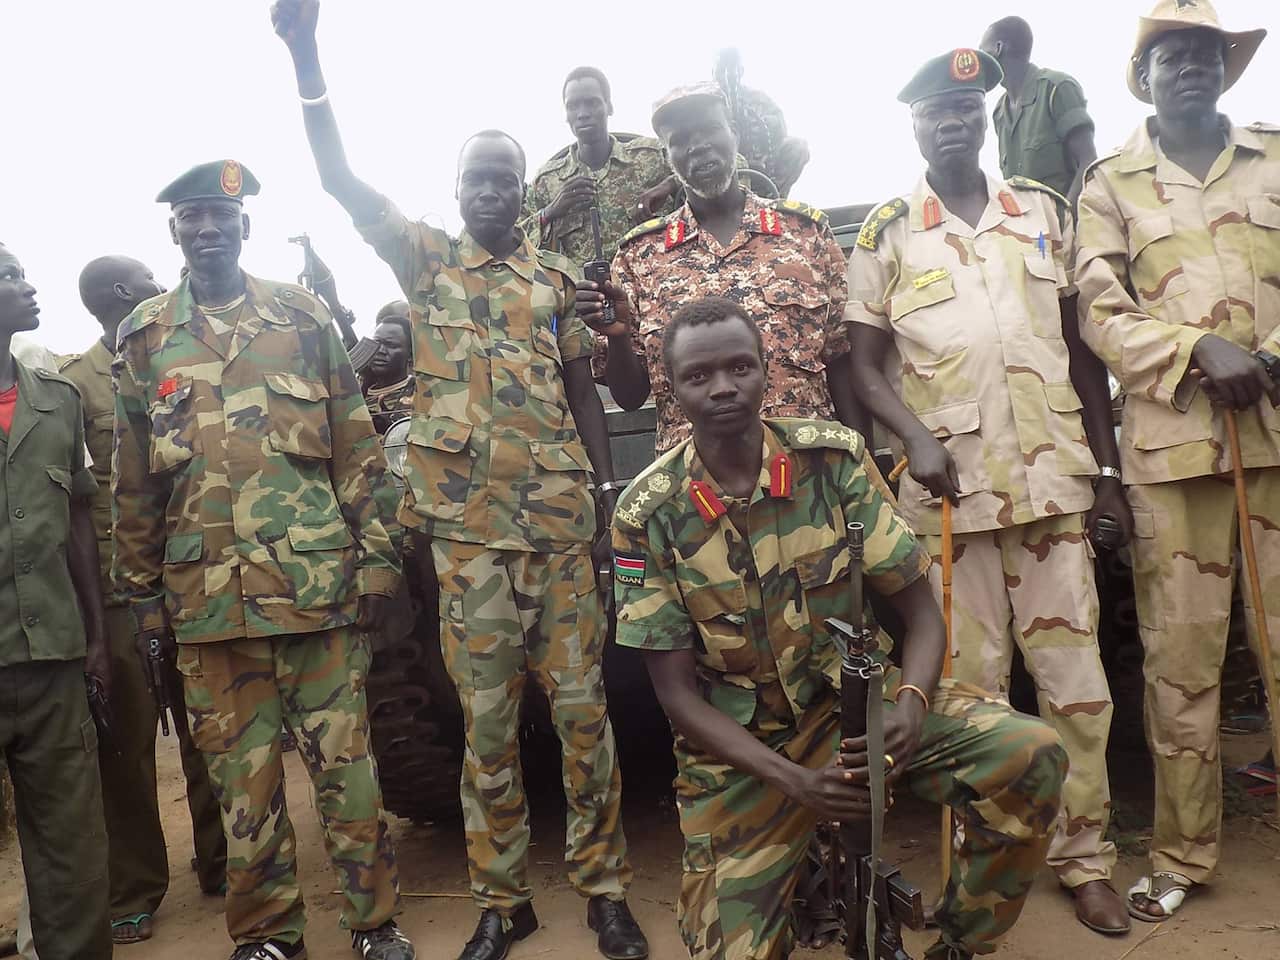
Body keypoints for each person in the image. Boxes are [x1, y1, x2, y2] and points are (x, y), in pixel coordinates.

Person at [271, 4, 649, 959]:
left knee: (582, 718)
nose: (491, 192)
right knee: (486, 727)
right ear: (456, 189)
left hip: (561, 528)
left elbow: (585, 395)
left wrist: (607, 508)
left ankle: (605, 890)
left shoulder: (556, 279)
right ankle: (503, 898)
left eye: (505, 180)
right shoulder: (425, 260)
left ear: (526, 190)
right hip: (468, 535)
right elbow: (335, 177)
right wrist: (306, 56)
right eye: (476, 179)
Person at [612, 296, 1067, 960]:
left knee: (1028, 753)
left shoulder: (833, 462)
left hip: (863, 712)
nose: (723, 389)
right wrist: (795, 782)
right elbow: (677, 697)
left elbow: (919, 615)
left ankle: (962, 945)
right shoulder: (646, 514)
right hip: (745, 753)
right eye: (699, 376)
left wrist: (910, 703)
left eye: (740, 367)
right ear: (671, 387)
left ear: (766, 369)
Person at [845, 48, 1131, 935]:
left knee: (1076, 686)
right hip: (948, 507)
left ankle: (1086, 862)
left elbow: (1084, 352)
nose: (953, 123)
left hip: (1052, 491)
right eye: (938, 112)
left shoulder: (1042, 214)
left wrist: (1110, 471)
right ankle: (978, 865)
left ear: (987, 121)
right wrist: (914, 437)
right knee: (970, 698)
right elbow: (862, 365)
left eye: (968, 110)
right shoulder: (889, 233)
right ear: (917, 127)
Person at [111, 160, 414, 960]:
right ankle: (266, 935)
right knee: (243, 791)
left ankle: (374, 923)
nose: (206, 228)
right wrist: (140, 600)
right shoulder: (145, 336)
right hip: (208, 608)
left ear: (244, 224)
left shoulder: (302, 316)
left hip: (318, 594)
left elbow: (357, 450)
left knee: (349, 781)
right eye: (191, 217)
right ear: (174, 230)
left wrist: (380, 561)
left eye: (220, 214)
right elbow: (133, 480)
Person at [1073, 0, 1277, 923]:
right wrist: (1199, 349)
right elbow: (1098, 309)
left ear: (1225, 69)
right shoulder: (1110, 181)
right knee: (1182, 669)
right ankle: (1183, 855)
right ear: (1144, 78)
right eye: (1171, 56)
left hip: (1278, 436)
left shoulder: (1277, 156)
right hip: (1174, 452)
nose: (1190, 66)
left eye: (1205, 52)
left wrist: (1269, 358)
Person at [61, 256, 228, 944]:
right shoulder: (73, 386)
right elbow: (77, 496)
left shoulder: (180, 355)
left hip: (192, 574)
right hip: (119, 586)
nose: (161, 280)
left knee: (210, 725)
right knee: (127, 744)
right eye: (147, 273)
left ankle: (224, 859)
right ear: (122, 294)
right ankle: (135, 886)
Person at [579, 82, 864, 454]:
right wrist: (617, 337)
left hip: (808, 471)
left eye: (710, 129)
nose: (697, 145)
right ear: (667, 155)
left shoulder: (805, 233)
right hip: (697, 485)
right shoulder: (639, 256)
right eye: (680, 139)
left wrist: (862, 460)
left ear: (735, 135)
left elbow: (842, 361)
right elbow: (630, 396)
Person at [0, 241, 113, 960]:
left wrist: (97, 640)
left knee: (71, 844)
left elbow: (77, 524)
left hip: (52, 661)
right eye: (8, 275)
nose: (28, 283)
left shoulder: (57, 401)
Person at [523, 67, 679, 264]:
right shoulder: (547, 181)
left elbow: (723, 169)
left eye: (592, 103)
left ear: (609, 107)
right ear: (566, 114)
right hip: (584, 291)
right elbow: (512, 239)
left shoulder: (652, 156)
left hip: (652, 284)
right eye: (573, 106)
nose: (582, 114)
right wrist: (549, 213)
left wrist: (670, 184)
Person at [980, 16, 1098, 208]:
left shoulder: (1056, 88)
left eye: (983, 51)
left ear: (998, 48)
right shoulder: (999, 113)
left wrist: (1065, 220)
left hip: (1066, 229)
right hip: (1026, 232)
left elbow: (1089, 162)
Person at [712, 49, 810, 198]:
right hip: (720, 167)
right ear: (713, 71)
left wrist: (762, 129)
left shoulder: (757, 99)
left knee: (798, 147)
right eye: (721, 70)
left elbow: (780, 131)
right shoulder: (705, 103)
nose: (727, 76)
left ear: (741, 71)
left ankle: (773, 197)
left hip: (762, 165)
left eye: (733, 70)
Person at [361, 301, 414, 435]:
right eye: (377, 343)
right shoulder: (355, 393)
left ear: (410, 354)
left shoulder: (422, 394)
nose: (381, 350)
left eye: (391, 345)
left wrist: (390, 426)